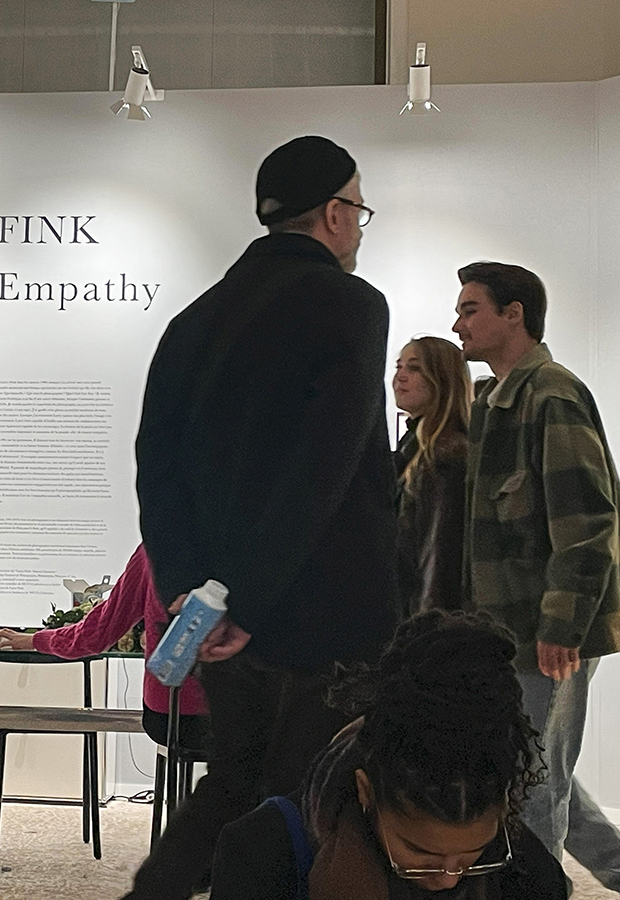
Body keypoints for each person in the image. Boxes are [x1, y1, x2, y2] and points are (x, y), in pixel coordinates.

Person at [130, 135, 399, 900]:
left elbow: (157, 463)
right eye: (359, 209)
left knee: (235, 780)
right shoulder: (351, 304)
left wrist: (193, 593)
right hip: (325, 612)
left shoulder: (194, 320)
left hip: (217, 621)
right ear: (335, 213)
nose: (358, 227)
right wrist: (245, 598)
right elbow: (326, 465)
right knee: (308, 801)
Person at [453, 261, 620, 900]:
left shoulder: (552, 395)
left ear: (513, 313)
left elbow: (586, 524)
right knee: (537, 770)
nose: (457, 324)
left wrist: (562, 626)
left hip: (547, 629)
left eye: (469, 309)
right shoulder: (493, 402)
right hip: (510, 628)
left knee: (535, 782)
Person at [211, 610, 568, 900]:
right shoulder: (263, 854)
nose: (448, 878)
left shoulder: (526, 873)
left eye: (474, 855)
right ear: (365, 791)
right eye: (420, 855)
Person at [0, 544, 210, 750]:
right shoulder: (230, 547)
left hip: (171, 715)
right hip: (227, 712)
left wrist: (37, 640)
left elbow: (99, 631)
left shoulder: (154, 550)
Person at [392, 337, 472, 617]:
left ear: (441, 379)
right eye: (399, 366)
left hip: (422, 617)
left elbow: (437, 560)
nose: (400, 376)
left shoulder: (444, 454)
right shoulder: (412, 448)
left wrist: (425, 625)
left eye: (414, 368)